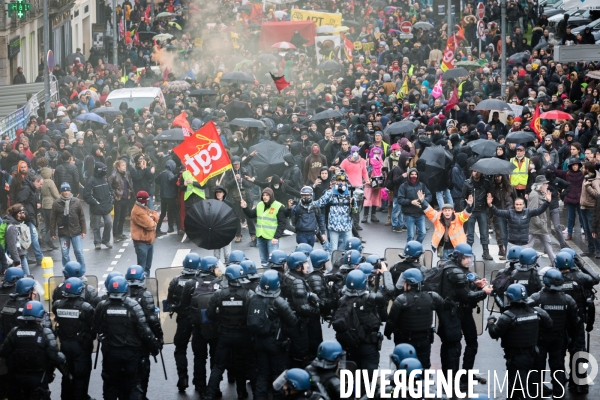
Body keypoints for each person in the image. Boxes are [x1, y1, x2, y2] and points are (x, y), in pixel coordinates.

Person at [94, 276, 160, 400]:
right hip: (131, 354)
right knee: (133, 384)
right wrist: (155, 347)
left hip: (111, 353)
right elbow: (145, 331)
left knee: (110, 385)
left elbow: (96, 328)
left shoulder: (102, 306)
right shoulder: (133, 305)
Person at [438, 243, 492, 388]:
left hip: (462, 311)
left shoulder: (454, 268)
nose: (468, 261)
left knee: (471, 341)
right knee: (452, 346)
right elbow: (467, 296)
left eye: (470, 258)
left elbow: (460, 290)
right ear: (458, 257)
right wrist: (484, 292)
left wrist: (476, 284)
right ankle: (451, 380)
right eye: (465, 258)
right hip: (452, 314)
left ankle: (465, 374)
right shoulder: (455, 272)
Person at [488, 284, 553, 398]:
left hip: (516, 358)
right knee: (531, 387)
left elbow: (494, 334)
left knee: (519, 390)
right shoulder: (536, 312)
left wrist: (491, 323)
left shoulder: (508, 316)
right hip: (534, 355)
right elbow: (549, 324)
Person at [204, 265, 256, 400]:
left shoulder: (219, 294)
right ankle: (243, 393)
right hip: (243, 335)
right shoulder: (248, 294)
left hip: (225, 334)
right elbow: (252, 316)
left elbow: (209, 313)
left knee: (218, 366)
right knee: (244, 364)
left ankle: (209, 394)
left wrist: (220, 318)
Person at [0, 301, 68, 400]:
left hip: (17, 380)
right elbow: (56, 357)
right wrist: (67, 374)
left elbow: (3, 352)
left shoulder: (14, 331)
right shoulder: (45, 332)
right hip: (39, 380)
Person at [247, 270, 298, 400]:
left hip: (259, 342)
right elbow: (293, 321)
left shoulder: (253, 298)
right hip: (276, 343)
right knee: (278, 374)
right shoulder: (279, 301)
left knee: (263, 374)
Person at [529, 268, 579, 399]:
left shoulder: (537, 297)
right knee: (557, 366)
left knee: (537, 366)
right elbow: (574, 322)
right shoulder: (568, 300)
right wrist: (571, 338)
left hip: (540, 338)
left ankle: (534, 393)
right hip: (559, 338)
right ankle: (558, 393)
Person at [555, 250, 599, 394]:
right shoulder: (581, 277)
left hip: (559, 323)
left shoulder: (553, 278)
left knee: (558, 353)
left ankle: (560, 384)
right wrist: (582, 265)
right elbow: (596, 278)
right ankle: (580, 384)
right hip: (577, 321)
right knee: (579, 352)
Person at [385, 268, 444, 368]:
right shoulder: (432, 297)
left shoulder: (401, 300)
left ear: (409, 283)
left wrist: (388, 333)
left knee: (404, 366)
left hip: (405, 341)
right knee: (424, 366)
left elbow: (392, 321)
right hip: (424, 340)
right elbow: (443, 307)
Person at [333, 270, 387, 377]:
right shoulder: (368, 300)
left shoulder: (342, 300)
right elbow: (389, 291)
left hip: (349, 345)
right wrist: (385, 272)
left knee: (350, 377)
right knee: (368, 379)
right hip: (368, 346)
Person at [51, 277, 95, 400]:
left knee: (67, 374)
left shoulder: (57, 305)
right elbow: (93, 325)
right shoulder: (85, 307)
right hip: (81, 346)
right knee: (81, 375)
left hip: (64, 344)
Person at [125, 265, 163, 398]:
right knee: (142, 372)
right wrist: (159, 337)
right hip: (141, 342)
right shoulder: (145, 295)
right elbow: (152, 320)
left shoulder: (121, 295)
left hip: (124, 341)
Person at [167, 252, 203, 392]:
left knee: (180, 349)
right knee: (199, 353)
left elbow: (170, 301)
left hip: (183, 320)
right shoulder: (201, 281)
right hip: (198, 320)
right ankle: (199, 382)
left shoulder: (176, 280)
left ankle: (183, 378)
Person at [188, 256, 222, 396]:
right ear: (211, 268)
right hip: (216, 327)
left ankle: (200, 387)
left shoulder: (191, 283)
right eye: (216, 266)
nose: (219, 269)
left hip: (198, 328)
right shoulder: (221, 283)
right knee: (216, 358)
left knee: (199, 357)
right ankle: (215, 388)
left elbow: (185, 304)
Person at [311, 172, 357, 251]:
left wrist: (353, 205)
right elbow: (319, 203)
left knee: (349, 249)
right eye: (338, 180)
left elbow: (355, 211)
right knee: (333, 250)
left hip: (346, 226)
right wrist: (307, 202)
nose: (340, 183)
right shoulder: (330, 193)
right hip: (333, 226)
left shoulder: (350, 194)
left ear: (346, 182)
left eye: (342, 181)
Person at [419, 192, 472, 260]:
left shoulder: (458, 217)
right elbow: (429, 211)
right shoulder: (437, 217)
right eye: (445, 211)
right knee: (444, 268)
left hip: (456, 249)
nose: (447, 212)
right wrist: (423, 201)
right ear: (442, 212)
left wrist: (469, 206)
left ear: (452, 211)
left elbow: (466, 214)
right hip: (443, 249)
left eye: (449, 210)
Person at [241, 187, 286, 266]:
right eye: (263, 195)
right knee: (264, 261)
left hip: (272, 238)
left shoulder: (278, 206)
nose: (265, 197)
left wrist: (276, 237)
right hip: (260, 237)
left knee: (273, 261)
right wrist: (245, 208)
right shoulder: (259, 204)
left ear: (271, 196)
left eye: (267, 195)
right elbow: (251, 215)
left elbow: (282, 223)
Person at [49, 182, 87, 269]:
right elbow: (53, 219)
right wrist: (52, 232)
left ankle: (82, 270)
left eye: (68, 190)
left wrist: (83, 230)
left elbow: (81, 216)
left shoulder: (76, 202)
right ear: (61, 192)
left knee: (78, 252)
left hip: (75, 231)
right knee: (65, 253)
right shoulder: (56, 203)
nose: (66, 192)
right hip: (63, 232)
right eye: (64, 191)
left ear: (70, 191)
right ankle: (67, 270)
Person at [462, 169, 493, 260]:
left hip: (482, 210)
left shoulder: (486, 183)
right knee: (470, 234)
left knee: (484, 232)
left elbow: (490, 195)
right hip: (471, 211)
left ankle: (486, 252)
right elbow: (463, 197)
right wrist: (464, 210)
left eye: (478, 171)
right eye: (474, 171)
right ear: (472, 172)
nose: (476, 173)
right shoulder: (467, 183)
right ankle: (468, 252)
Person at [83, 162, 114, 250]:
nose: (105, 171)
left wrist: (111, 200)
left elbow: (110, 190)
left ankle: (106, 240)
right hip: (96, 207)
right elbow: (87, 195)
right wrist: (95, 203)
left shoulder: (105, 179)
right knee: (96, 226)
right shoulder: (91, 181)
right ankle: (97, 242)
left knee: (108, 223)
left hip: (106, 206)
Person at [526, 175, 556, 261]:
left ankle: (554, 263)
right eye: (545, 184)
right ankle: (522, 263)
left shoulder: (540, 194)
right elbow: (532, 212)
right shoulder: (535, 195)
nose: (547, 185)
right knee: (528, 247)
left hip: (541, 225)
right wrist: (540, 224)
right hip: (536, 225)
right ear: (540, 185)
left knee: (548, 244)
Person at [130, 190, 160, 276]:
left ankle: (146, 284)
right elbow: (150, 225)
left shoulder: (143, 208)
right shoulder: (138, 211)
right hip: (141, 243)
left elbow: (155, 214)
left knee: (147, 268)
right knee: (142, 269)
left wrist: (152, 217)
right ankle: (142, 285)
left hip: (149, 242)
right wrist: (153, 220)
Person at [398, 168, 431, 243]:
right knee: (410, 236)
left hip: (420, 213)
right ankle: (409, 251)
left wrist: (423, 201)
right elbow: (400, 199)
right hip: (409, 214)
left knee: (423, 233)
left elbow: (429, 195)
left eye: (415, 174)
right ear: (409, 175)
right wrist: (410, 202)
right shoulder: (403, 186)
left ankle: (416, 247)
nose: (414, 176)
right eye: (412, 174)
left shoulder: (422, 185)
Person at [108, 159, 134, 241]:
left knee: (123, 217)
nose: (124, 167)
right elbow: (109, 186)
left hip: (125, 197)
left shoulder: (126, 174)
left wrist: (129, 193)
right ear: (118, 167)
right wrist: (114, 195)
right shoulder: (114, 175)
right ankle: (115, 235)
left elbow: (128, 185)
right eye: (123, 166)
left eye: (125, 166)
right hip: (118, 198)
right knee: (117, 217)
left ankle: (120, 233)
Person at [154, 159, 182, 235]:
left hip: (163, 196)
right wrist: (177, 175)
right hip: (170, 196)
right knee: (175, 212)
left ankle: (158, 229)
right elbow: (172, 181)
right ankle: (179, 228)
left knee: (163, 213)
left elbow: (156, 180)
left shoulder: (162, 173)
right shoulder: (170, 174)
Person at [3, 204, 32, 274]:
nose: (24, 213)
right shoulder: (12, 228)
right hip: (17, 259)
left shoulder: (18, 224)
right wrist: (17, 262)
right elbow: (12, 246)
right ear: (17, 214)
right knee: (26, 279)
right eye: (22, 212)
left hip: (21, 256)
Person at [213, 185, 234, 263]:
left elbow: (234, 217)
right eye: (217, 192)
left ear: (223, 193)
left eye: (220, 192)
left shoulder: (229, 204)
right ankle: (217, 271)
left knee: (227, 254)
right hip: (215, 231)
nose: (218, 194)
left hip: (226, 231)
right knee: (216, 256)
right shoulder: (212, 204)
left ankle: (228, 270)